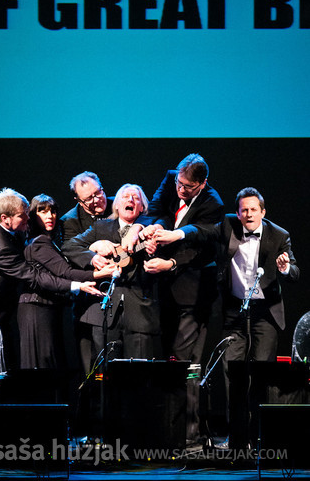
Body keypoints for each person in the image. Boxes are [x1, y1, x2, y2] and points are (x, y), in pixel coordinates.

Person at [179, 187, 300, 448]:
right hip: (235, 311)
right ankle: (236, 437)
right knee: (231, 373)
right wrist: (177, 233)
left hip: (264, 314)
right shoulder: (227, 226)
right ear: (237, 212)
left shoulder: (279, 235)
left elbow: (295, 271)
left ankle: (260, 437)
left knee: (260, 375)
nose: (248, 214)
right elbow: (202, 232)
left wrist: (286, 267)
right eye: (243, 210)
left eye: (253, 209)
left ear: (263, 212)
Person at [123, 153, 224, 447]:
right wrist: (145, 228)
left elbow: (202, 240)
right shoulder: (171, 179)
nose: (181, 190)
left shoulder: (212, 203)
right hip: (164, 292)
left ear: (202, 184)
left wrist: (174, 242)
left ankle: (189, 435)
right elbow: (153, 208)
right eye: (179, 183)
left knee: (186, 363)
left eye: (188, 187)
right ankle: (165, 428)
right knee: (165, 360)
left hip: (193, 296)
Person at [0, 188, 89, 369]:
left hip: (0, 310)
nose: (29, 218)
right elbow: (33, 277)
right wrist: (75, 285)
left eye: (28, 212)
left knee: (8, 368)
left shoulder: (1, 212)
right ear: (5, 218)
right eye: (23, 216)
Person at [64, 184, 162, 364]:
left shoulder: (152, 228)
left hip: (140, 313)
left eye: (136, 198)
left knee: (139, 377)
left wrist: (153, 251)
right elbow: (69, 247)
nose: (130, 200)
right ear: (116, 205)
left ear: (142, 207)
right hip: (104, 311)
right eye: (125, 196)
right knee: (105, 377)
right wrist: (93, 253)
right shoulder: (101, 227)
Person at [18, 194, 113, 370]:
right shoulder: (39, 243)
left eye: (53, 211)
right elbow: (66, 272)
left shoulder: (47, 241)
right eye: (43, 211)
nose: (50, 216)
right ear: (32, 215)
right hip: (37, 308)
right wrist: (99, 274)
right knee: (42, 363)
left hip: (45, 306)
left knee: (51, 363)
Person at [60, 171, 114, 374]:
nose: (96, 200)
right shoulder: (69, 220)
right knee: (91, 367)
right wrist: (92, 254)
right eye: (88, 198)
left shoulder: (117, 205)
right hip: (88, 301)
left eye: (98, 192)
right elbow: (69, 249)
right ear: (78, 200)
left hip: (120, 298)